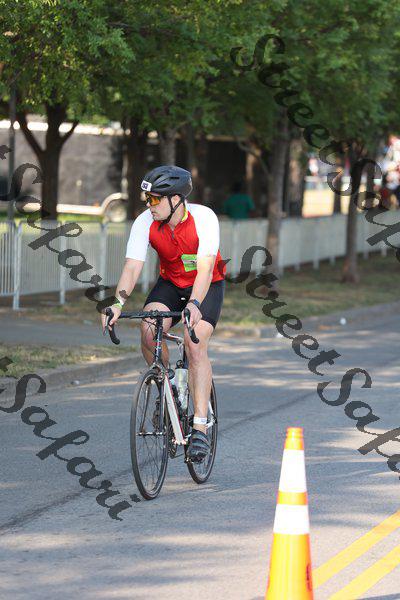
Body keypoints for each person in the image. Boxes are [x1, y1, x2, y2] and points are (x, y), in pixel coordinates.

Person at [101, 165, 225, 462]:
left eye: (155, 199)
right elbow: (132, 267)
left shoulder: (204, 218)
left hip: (206, 285)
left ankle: (199, 427)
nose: (149, 205)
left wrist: (194, 304)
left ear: (176, 199)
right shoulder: (145, 221)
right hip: (170, 283)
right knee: (148, 329)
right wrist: (117, 304)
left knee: (194, 342)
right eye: (148, 198)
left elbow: (205, 269)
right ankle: (169, 387)